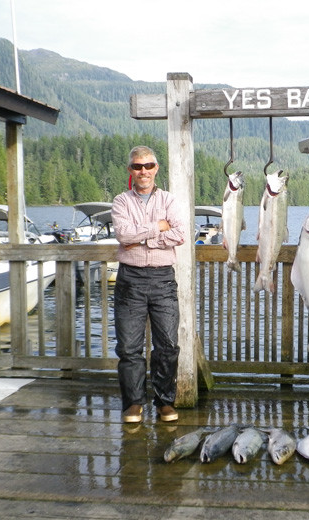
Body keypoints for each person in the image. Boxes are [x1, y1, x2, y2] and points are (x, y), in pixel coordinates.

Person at [111, 145, 186, 423]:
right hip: (130, 278)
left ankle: (164, 401)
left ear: (156, 168)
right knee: (129, 347)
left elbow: (179, 235)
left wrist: (140, 237)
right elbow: (123, 235)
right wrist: (157, 228)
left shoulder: (169, 199)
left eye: (148, 166)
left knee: (168, 344)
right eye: (137, 166)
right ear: (130, 170)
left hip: (162, 278)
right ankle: (133, 403)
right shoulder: (121, 201)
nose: (143, 171)